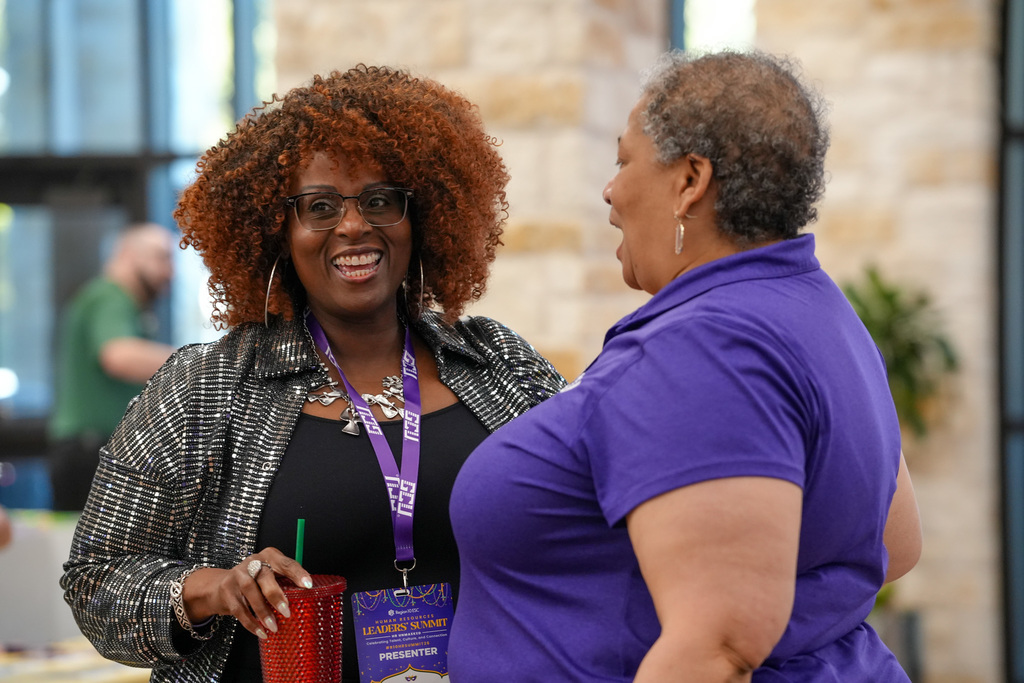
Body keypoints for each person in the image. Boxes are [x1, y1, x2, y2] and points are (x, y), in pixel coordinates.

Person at [60, 65, 565, 682]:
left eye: (380, 200)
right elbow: (94, 579)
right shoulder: (208, 386)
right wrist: (212, 589)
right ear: (278, 232)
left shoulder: (497, 363)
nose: (354, 225)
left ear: (423, 218)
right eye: (319, 207)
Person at [449, 50, 922, 681]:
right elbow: (893, 547)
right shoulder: (821, 312)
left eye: (623, 159)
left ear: (690, 180)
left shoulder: (704, 350)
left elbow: (716, 649)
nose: (610, 190)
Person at [48, 222, 176, 511]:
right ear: (130, 255)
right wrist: (197, 362)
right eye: (162, 257)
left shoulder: (115, 301)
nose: (170, 271)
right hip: (92, 453)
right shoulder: (111, 296)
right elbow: (118, 356)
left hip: (91, 451)